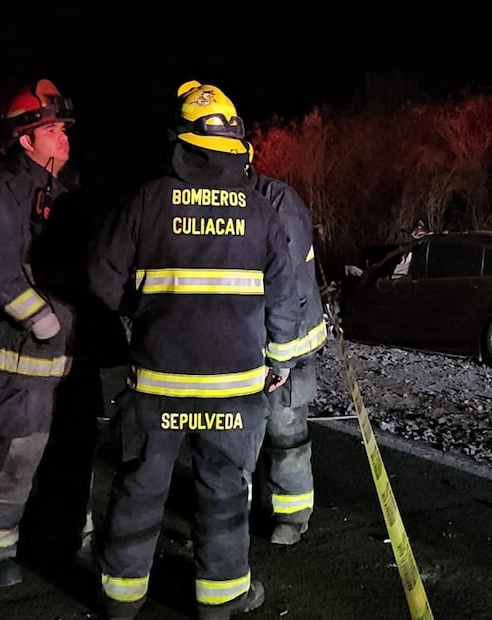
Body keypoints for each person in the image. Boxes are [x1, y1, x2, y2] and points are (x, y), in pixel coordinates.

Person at [88, 80, 302, 620]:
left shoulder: (147, 201)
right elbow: (285, 294)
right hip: (234, 390)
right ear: (236, 143)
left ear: (178, 141)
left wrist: (145, 311)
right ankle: (220, 599)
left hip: (158, 385)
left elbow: (102, 278)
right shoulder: (259, 210)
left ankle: (121, 598)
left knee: (140, 489)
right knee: (225, 494)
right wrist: (278, 359)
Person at [0, 78, 101, 588]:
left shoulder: (66, 194)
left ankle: (66, 539)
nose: (64, 136)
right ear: (26, 140)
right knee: (17, 455)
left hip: (66, 361)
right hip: (21, 360)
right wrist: (40, 320)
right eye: (52, 129)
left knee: (71, 454)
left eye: (64, 128)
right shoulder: (7, 192)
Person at [246, 164, 327, 545]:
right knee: (243, 434)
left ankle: (292, 516)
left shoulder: (277, 201)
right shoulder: (233, 198)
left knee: (286, 432)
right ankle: (237, 514)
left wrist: (281, 354)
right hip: (252, 340)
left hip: (288, 342)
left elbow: (290, 282)